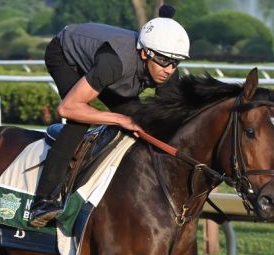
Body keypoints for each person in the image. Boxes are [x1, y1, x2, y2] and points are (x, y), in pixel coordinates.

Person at [29, 5, 190, 228]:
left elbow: (168, 122)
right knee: (79, 122)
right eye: (163, 61)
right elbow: (67, 108)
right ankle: (42, 201)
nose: (169, 70)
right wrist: (120, 119)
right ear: (145, 53)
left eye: (176, 63)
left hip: (106, 69)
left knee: (142, 120)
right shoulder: (113, 63)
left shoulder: (167, 67)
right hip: (66, 56)